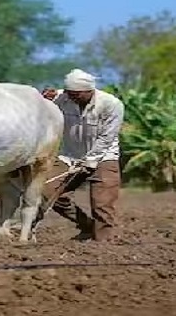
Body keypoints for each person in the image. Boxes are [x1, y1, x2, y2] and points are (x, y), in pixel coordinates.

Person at [41, 68, 125, 241]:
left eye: (76, 94)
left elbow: (107, 136)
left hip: (104, 157)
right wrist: (45, 97)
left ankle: (104, 240)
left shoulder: (111, 104)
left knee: (102, 203)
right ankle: (87, 225)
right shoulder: (62, 97)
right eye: (69, 93)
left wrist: (92, 159)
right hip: (69, 156)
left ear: (89, 91)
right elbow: (47, 99)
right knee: (47, 193)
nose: (71, 97)